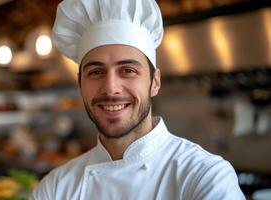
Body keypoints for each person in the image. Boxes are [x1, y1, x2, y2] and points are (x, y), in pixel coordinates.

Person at [30, 0, 245, 199]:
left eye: (127, 70)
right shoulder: (56, 188)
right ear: (80, 85)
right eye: (96, 72)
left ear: (155, 82)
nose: (111, 88)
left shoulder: (205, 177)